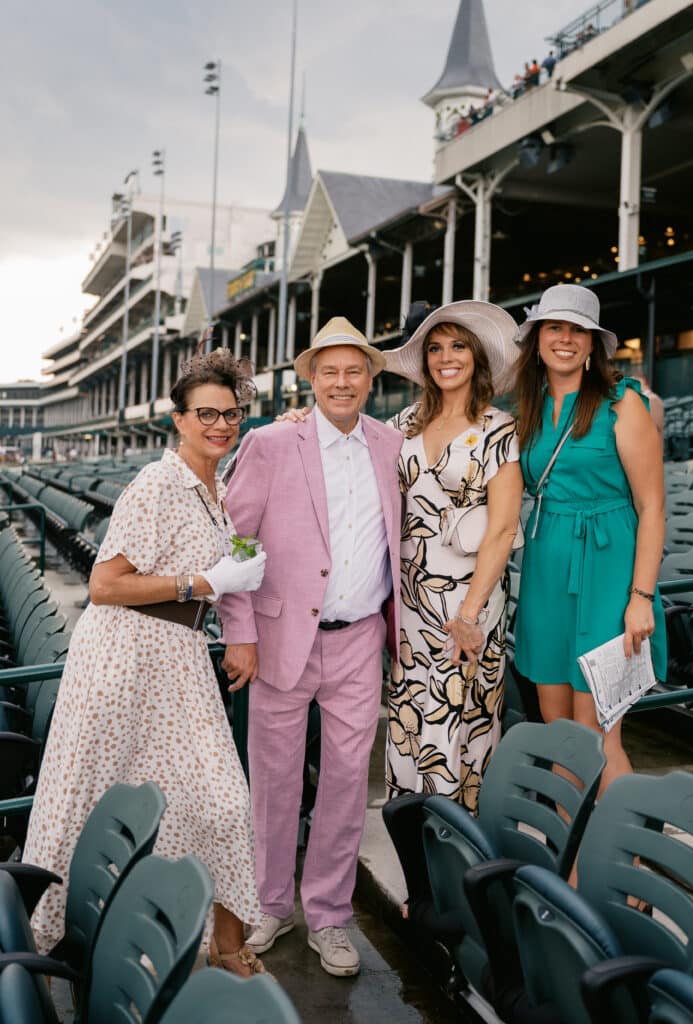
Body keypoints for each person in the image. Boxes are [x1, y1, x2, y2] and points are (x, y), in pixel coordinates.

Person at [23, 348, 269, 975]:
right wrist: (203, 583)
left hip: (176, 656)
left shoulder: (213, 486)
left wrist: (228, 575)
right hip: (126, 657)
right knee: (94, 800)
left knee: (219, 800)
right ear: (178, 419)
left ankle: (220, 943)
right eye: (206, 413)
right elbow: (105, 584)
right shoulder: (158, 484)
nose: (221, 424)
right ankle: (56, 938)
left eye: (231, 414)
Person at [218, 317, 403, 978]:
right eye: (330, 371)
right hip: (279, 637)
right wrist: (239, 632)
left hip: (360, 638)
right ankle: (271, 904)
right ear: (312, 379)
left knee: (349, 784)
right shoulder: (271, 442)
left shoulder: (392, 443)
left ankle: (328, 914)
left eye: (354, 371)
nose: (342, 382)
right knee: (274, 780)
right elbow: (236, 540)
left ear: (370, 379)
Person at [512, 284, 667, 794]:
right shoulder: (528, 409)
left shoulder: (623, 404)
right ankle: (569, 846)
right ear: (537, 339)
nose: (566, 338)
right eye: (555, 327)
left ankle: (626, 843)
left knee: (597, 734)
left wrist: (640, 597)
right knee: (559, 733)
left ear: (592, 344)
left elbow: (651, 508)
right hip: (547, 569)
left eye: (578, 330)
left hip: (608, 574)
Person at [382, 301, 523, 811]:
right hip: (410, 603)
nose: (446, 358)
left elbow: (502, 529)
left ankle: (455, 846)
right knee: (410, 719)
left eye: (458, 346)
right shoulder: (401, 424)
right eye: (435, 348)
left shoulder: (497, 428)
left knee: (460, 724)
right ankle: (414, 852)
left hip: (467, 600)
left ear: (476, 356)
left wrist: (469, 615)